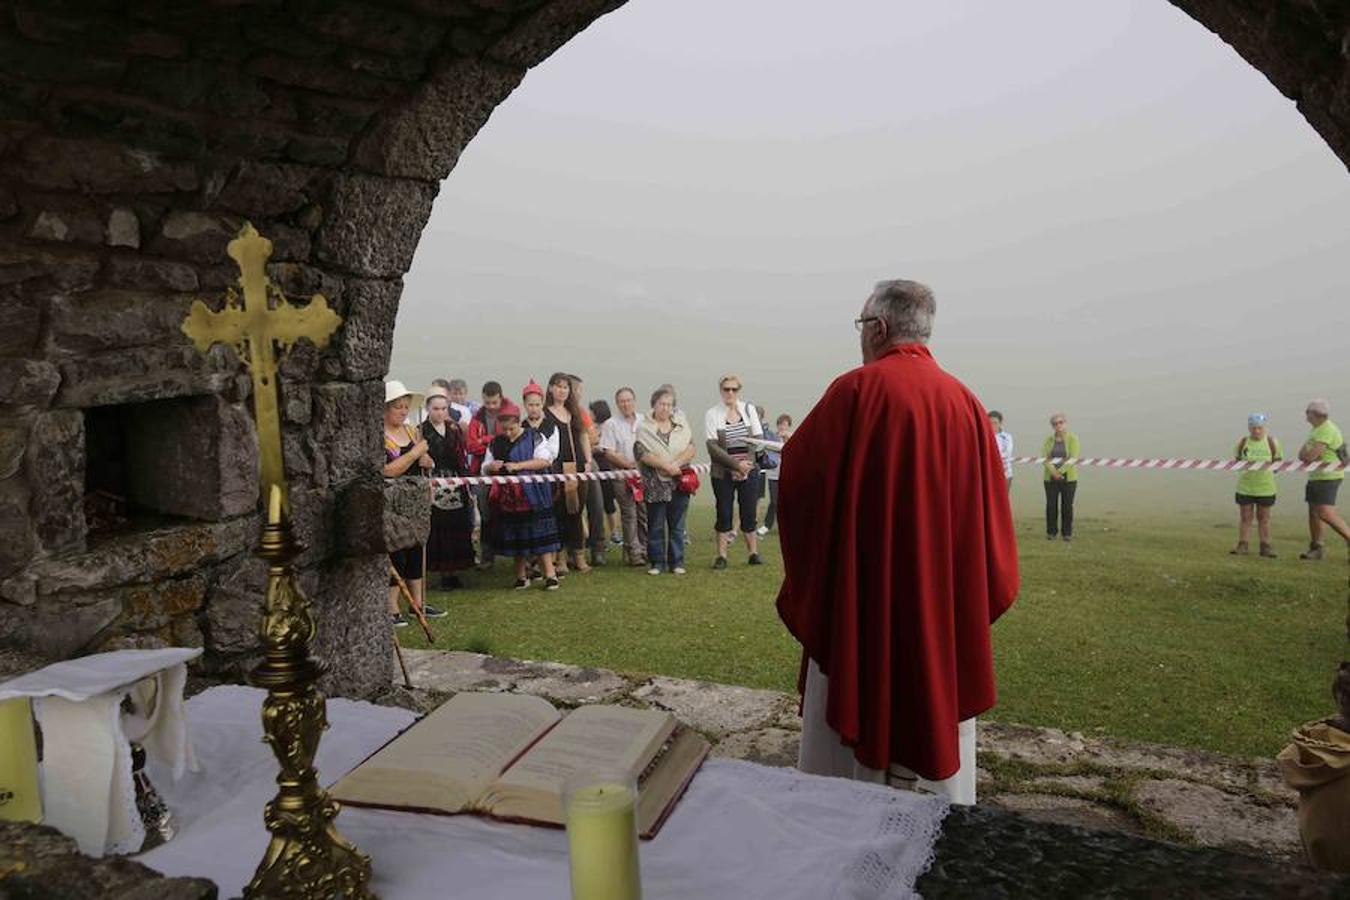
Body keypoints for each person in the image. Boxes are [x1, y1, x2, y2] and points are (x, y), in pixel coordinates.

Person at [777, 279, 1018, 805]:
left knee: (839, 799)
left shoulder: (856, 392)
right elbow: (991, 515)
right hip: (940, 612)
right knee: (936, 706)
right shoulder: (967, 404)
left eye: (861, 327)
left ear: (878, 329)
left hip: (861, 611)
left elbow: (797, 484)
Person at [382, 380, 447, 627]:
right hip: (392, 503)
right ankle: (391, 605)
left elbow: (424, 461)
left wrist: (426, 460)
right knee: (396, 551)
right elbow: (388, 470)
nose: (403, 411)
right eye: (398, 406)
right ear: (386, 409)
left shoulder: (411, 432)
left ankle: (417, 603)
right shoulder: (380, 436)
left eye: (405, 406)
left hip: (415, 502)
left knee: (417, 550)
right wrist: (415, 453)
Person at [482, 399, 561, 590]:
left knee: (540, 535)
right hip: (508, 499)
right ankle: (520, 576)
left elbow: (545, 461)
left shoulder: (535, 437)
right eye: (504, 429)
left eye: (512, 428)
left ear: (519, 423)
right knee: (516, 537)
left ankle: (550, 575)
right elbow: (485, 467)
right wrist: (490, 467)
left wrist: (519, 466)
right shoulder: (495, 443)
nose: (508, 433)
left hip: (534, 495)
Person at [706, 374, 765, 568]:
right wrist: (735, 466)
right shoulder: (712, 414)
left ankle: (753, 553)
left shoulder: (749, 410)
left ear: (739, 390)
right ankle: (721, 556)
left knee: (749, 513)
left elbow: (758, 440)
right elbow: (713, 447)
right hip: (723, 474)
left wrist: (745, 467)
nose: (730, 393)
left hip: (748, 471)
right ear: (721, 391)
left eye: (734, 389)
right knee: (724, 512)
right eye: (726, 389)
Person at [636, 388, 695, 575]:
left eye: (669, 404)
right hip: (655, 483)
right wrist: (665, 466)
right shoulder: (643, 427)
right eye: (662, 403)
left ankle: (677, 562)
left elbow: (691, 447)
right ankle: (657, 563)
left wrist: (675, 464)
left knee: (677, 525)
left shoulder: (682, 425)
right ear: (654, 404)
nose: (665, 408)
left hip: (679, 481)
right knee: (656, 525)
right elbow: (642, 453)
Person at [422, 388, 476, 587]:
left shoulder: (454, 429)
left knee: (457, 527)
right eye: (436, 408)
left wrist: (467, 484)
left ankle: (455, 570)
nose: (440, 412)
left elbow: (462, 458)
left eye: (444, 408)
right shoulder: (421, 431)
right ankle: (442, 571)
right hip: (434, 484)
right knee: (439, 528)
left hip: (456, 483)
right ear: (428, 409)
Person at [545, 372, 591, 574]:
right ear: (551, 388)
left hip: (578, 467)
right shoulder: (545, 413)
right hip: (558, 468)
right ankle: (560, 558)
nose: (562, 391)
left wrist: (588, 461)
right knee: (560, 512)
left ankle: (579, 555)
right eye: (559, 386)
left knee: (577, 511)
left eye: (566, 387)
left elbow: (583, 436)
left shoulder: (576, 412)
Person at [598, 387, 648, 566]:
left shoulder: (644, 420)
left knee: (644, 512)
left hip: (644, 475)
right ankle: (633, 551)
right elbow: (609, 452)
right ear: (617, 404)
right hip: (622, 475)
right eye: (622, 401)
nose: (626, 404)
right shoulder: (611, 424)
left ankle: (645, 548)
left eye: (628, 400)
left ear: (634, 401)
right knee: (629, 513)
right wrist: (629, 465)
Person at [1298, 399, 1349, 560]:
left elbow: (1310, 456)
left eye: (1308, 412)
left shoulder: (1326, 429)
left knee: (1325, 512)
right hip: (1316, 476)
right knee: (1314, 512)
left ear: (1316, 414)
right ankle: (1317, 547)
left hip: (1328, 476)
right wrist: (1307, 454)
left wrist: (1308, 454)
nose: (1306, 415)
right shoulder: (1316, 430)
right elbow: (1302, 455)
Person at [466, 381, 506, 569]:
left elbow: (508, 438)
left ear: (500, 398)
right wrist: (491, 441)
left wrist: (484, 440)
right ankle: (487, 555)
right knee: (485, 514)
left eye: (494, 403)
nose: (490, 407)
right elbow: (471, 445)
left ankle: (511, 552)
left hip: (505, 470)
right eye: (487, 402)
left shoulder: (509, 412)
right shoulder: (477, 417)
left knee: (508, 512)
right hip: (481, 472)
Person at [570, 375, 609, 567]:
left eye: (580, 391)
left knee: (596, 504)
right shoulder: (552, 411)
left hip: (586, 462)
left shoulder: (582, 412)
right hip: (565, 464)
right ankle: (570, 550)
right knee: (570, 507)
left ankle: (598, 548)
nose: (578, 394)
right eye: (577, 390)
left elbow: (593, 439)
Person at [1231, 412, 1282, 558]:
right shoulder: (1242, 443)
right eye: (1253, 428)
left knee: (1264, 518)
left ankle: (1265, 546)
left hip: (1266, 488)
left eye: (1260, 428)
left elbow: (1278, 464)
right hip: (1245, 487)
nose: (1257, 431)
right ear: (1249, 428)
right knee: (1245, 517)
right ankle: (1242, 545)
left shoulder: (1273, 443)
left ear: (1264, 428)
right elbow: (1236, 462)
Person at [589, 398, 622, 550]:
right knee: (596, 504)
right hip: (594, 466)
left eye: (592, 411)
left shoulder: (610, 426)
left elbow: (606, 447)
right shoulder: (591, 426)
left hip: (607, 466)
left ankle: (614, 532)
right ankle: (596, 535)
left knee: (609, 502)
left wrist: (596, 447)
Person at [1042, 413, 1080, 542]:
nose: (1058, 425)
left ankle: (1067, 533)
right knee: (1051, 506)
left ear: (1065, 423)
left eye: (1061, 422)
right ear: (1052, 426)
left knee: (1067, 506)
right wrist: (1054, 472)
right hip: (1050, 478)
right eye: (1055, 423)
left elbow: (1073, 457)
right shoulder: (1048, 440)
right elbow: (1045, 458)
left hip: (1069, 478)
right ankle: (1051, 532)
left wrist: (1061, 472)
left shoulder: (1073, 439)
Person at [760, 414, 792, 534]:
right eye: (780, 424)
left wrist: (786, 439)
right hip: (773, 475)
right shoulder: (772, 438)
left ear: (788, 426)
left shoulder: (792, 437)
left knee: (786, 501)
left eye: (785, 424)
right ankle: (767, 526)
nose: (782, 427)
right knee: (774, 501)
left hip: (787, 474)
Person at [989, 410, 1014, 488]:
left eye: (995, 423)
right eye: (990, 423)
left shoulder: (1007, 437)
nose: (992, 425)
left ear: (1000, 423)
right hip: (988, 474)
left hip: (1005, 473)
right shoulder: (982, 437)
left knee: (1004, 499)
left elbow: (1007, 452)